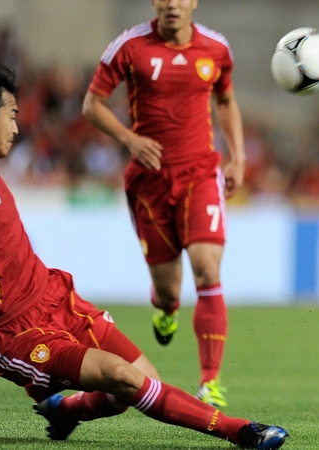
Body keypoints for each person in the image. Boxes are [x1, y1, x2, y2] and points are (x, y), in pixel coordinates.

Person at [0, 62, 286, 450]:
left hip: (53, 297)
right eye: (11, 116)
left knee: (141, 379)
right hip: (13, 331)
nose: (16, 126)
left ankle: (66, 411)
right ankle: (241, 431)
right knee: (122, 377)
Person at [82, 0, 246, 409]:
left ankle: (210, 382)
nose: (172, 3)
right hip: (150, 184)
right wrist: (130, 140)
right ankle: (165, 308)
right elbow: (91, 104)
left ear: (193, 2)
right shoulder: (129, 46)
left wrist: (238, 156)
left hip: (200, 175)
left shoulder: (216, 49)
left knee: (208, 268)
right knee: (169, 290)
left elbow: (225, 101)